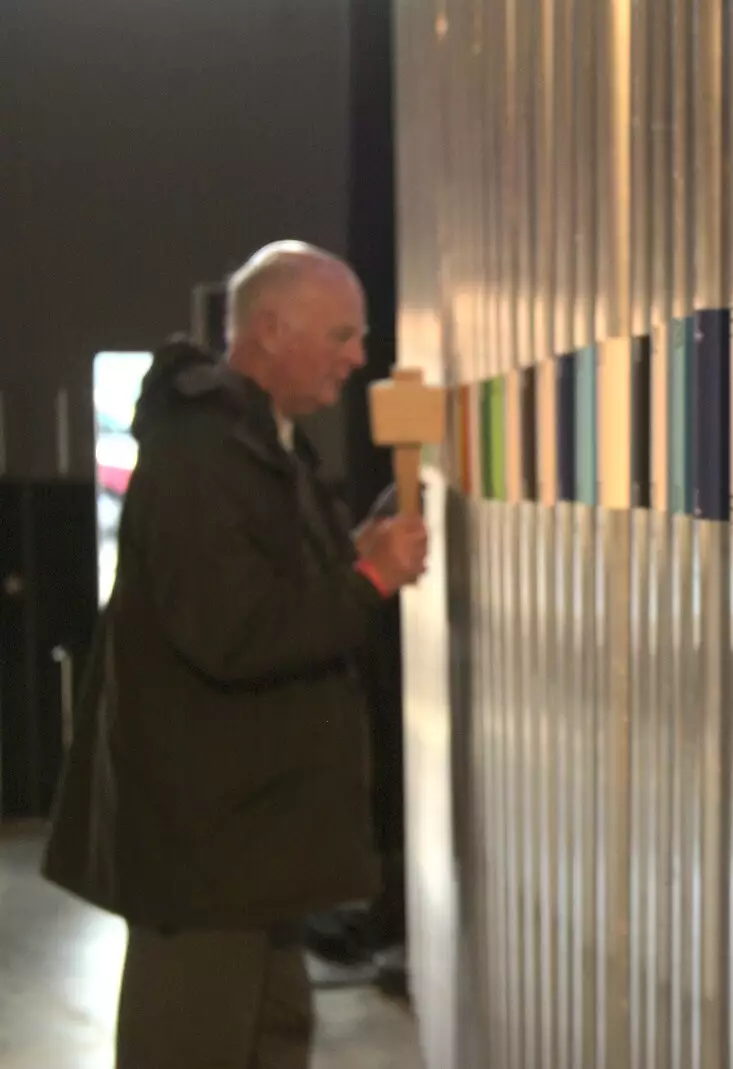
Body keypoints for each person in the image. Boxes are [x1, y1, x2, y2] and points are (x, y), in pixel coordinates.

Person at [40, 240, 429, 1068]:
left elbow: (267, 585)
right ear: (271, 327)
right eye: (342, 336)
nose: (359, 358)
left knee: (269, 1038)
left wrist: (356, 551)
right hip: (207, 859)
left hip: (253, 854)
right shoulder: (200, 453)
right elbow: (234, 632)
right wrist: (369, 577)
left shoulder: (256, 443)